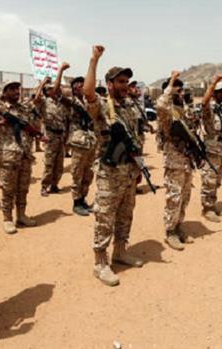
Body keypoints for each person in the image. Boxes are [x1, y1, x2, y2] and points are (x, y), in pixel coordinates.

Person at [84, 45, 144, 286]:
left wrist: (139, 167)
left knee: (125, 214)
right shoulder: (101, 104)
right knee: (104, 217)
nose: (124, 85)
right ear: (109, 84)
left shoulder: (130, 106)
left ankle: (120, 252)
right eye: (120, 81)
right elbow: (88, 92)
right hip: (110, 174)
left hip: (129, 172)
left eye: (126, 81)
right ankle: (100, 263)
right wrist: (94, 60)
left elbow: (137, 140)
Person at [156, 71, 196, 250]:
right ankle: (170, 231)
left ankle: (179, 226)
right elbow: (161, 104)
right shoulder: (167, 112)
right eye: (177, 92)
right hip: (174, 160)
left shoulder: (183, 110)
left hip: (187, 159)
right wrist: (171, 83)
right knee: (174, 196)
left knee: (185, 196)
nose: (181, 94)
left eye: (182, 91)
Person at [0, 80, 38, 234]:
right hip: (9, 155)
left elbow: (30, 125)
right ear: (4, 91)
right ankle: (7, 219)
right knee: (8, 189)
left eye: (17, 89)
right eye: (12, 89)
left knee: (23, 188)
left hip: (25, 153)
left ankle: (21, 215)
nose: (16, 92)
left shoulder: (22, 108)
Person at [62, 76, 97, 216]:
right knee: (77, 172)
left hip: (90, 140)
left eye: (83, 83)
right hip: (78, 141)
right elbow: (57, 92)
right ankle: (76, 202)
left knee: (88, 173)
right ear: (73, 88)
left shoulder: (89, 101)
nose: (81, 86)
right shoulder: (70, 101)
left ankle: (83, 199)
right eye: (78, 84)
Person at [199, 76, 222, 222]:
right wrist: (212, 84)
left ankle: (212, 203)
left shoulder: (221, 108)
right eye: (220, 92)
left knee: (218, 179)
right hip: (212, 149)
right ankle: (207, 208)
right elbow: (203, 103)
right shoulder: (210, 108)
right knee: (209, 179)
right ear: (213, 93)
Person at [36, 63, 70, 196]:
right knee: (49, 164)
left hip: (61, 136)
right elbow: (37, 97)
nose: (55, 90)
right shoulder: (44, 102)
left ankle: (55, 185)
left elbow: (66, 120)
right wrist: (43, 82)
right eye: (50, 89)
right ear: (47, 91)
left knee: (59, 164)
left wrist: (66, 136)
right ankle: (44, 186)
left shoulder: (61, 103)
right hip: (50, 136)